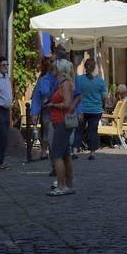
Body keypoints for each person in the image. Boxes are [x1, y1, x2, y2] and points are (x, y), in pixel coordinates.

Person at [48, 58, 77, 196]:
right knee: (65, 155)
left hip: (61, 122)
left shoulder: (65, 84)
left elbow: (67, 104)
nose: (52, 71)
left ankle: (60, 186)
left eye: (54, 69)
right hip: (61, 122)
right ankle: (69, 184)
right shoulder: (66, 84)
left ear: (59, 71)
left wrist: (52, 105)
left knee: (57, 155)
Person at [73, 55, 106, 160]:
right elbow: (104, 96)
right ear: (95, 67)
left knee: (78, 130)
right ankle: (92, 153)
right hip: (96, 110)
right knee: (93, 131)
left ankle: (74, 151)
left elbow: (75, 93)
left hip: (82, 109)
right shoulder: (100, 81)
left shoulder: (78, 79)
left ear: (85, 68)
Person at [28, 55, 58, 164]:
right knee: (46, 131)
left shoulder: (63, 79)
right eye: (51, 62)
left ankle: (56, 155)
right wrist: (34, 113)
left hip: (60, 110)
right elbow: (37, 97)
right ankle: (45, 152)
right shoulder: (43, 80)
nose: (52, 64)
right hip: (47, 110)